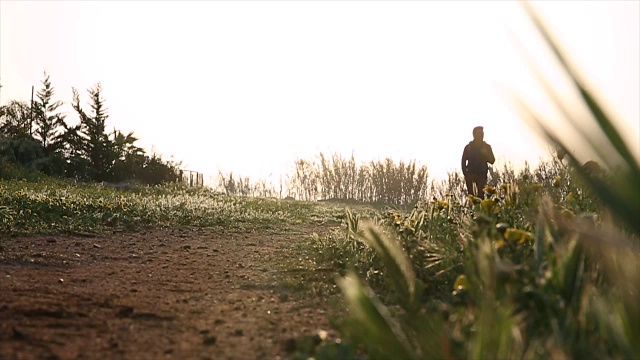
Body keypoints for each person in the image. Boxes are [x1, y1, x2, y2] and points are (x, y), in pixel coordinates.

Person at [461, 126, 495, 197]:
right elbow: (463, 161)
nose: (481, 135)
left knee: (481, 196)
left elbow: (492, 160)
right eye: (479, 133)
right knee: (471, 197)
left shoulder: (487, 147)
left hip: (481, 175)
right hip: (470, 174)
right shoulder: (468, 147)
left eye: (482, 133)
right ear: (474, 134)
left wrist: (486, 155)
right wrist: (466, 174)